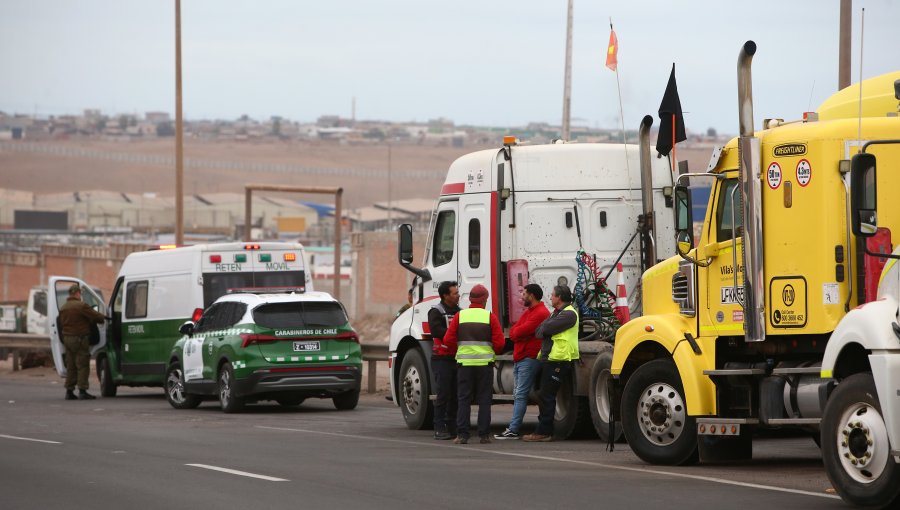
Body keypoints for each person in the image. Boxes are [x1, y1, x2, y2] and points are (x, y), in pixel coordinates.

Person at [444, 284, 505, 445]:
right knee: (484, 400)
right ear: (485, 299)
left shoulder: (460, 316)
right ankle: (484, 435)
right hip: (484, 365)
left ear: (470, 299)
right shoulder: (489, 317)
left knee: (463, 399)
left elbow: (448, 340)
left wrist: (459, 350)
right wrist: (491, 351)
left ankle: (462, 435)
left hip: (464, 364)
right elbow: (500, 343)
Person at [522, 284, 579, 442]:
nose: (551, 297)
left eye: (553, 295)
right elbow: (539, 330)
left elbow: (544, 330)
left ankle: (544, 431)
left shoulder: (568, 314)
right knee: (543, 394)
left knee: (547, 396)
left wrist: (544, 328)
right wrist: (544, 328)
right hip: (550, 358)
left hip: (558, 359)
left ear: (559, 298)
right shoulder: (556, 313)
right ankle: (543, 430)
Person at [494, 283, 549, 440]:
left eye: (524, 294)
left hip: (529, 357)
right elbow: (514, 332)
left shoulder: (540, 313)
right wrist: (517, 333)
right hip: (522, 357)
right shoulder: (530, 312)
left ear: (531, 296)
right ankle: (514, 428)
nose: (521, 297)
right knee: (520, 394)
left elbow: (519, 331)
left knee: (520, 394)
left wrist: (517, 333)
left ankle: (514, 429)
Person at [59, 284, 106, 400]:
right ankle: (82, 391)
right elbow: (96, 316)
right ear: (77, 293)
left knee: (71, 365)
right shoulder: (81, 305)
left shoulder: (63, 307)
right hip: (79, 339)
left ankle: (69, 391)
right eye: (80, 293)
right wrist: (103, 317)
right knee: (82, 364)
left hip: (67, 339)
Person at [428, 281, 461, 440]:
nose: (458, 295)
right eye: (455, 293)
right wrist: (455, 335)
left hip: (457, 358)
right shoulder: (436, 311)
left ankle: (452, 426)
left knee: (455, 395)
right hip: (442, 359)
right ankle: (439, 427)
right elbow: (437, 331)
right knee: (443, 394)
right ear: (445, 296)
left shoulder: (460, 312)